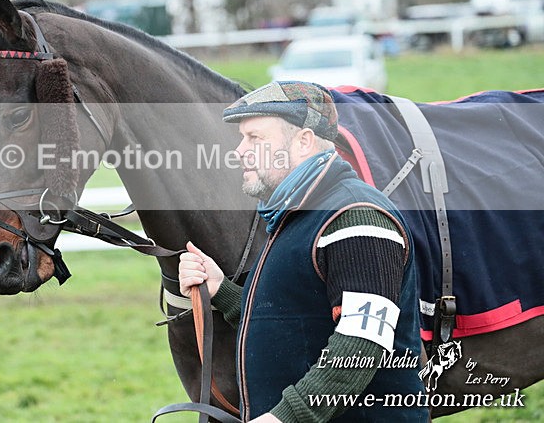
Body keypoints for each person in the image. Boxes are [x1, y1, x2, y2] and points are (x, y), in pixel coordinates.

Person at [178, 81, 426, 422]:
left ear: (304, 141)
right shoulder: (294, 215)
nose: (239, 151)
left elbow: (361, 344)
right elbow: (294, 320)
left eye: (255, 138)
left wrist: (284, 418)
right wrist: (222, 292)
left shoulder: (357, 215)